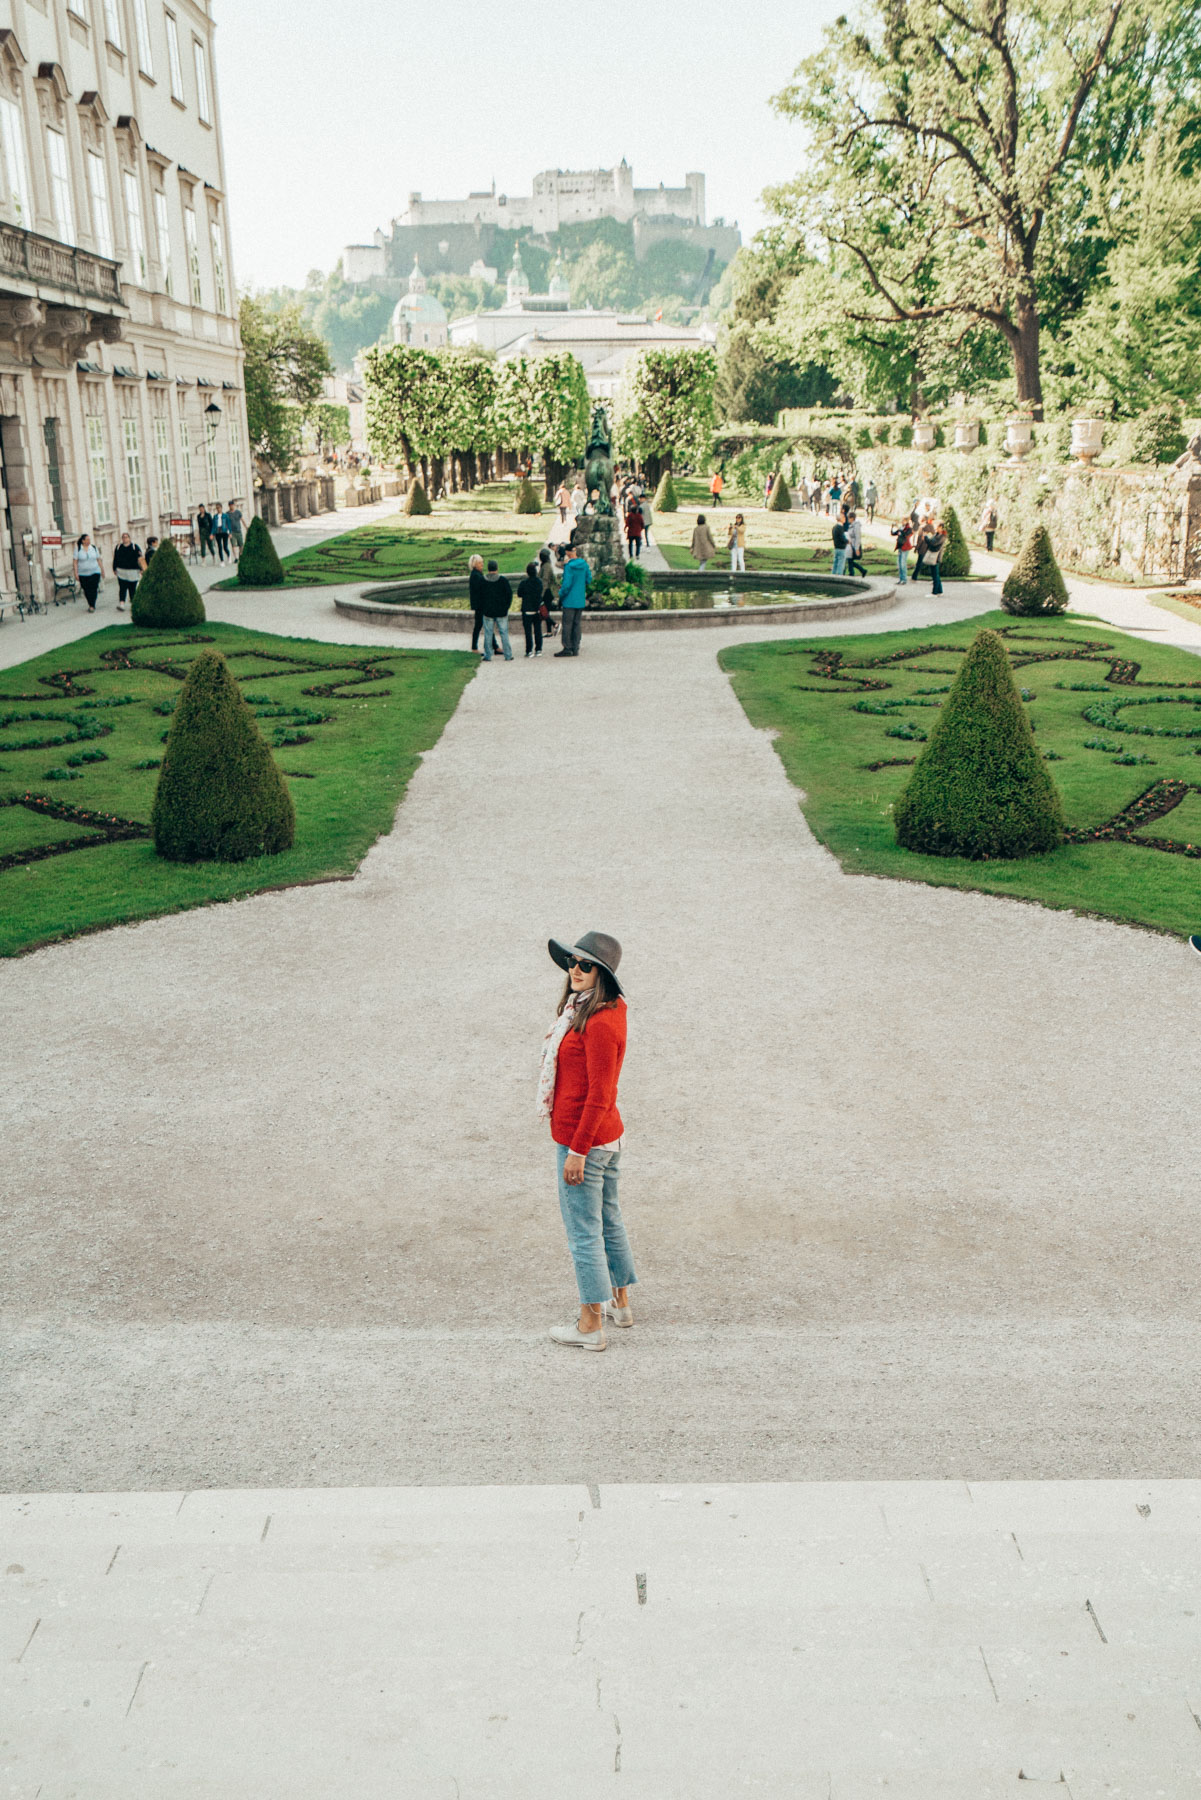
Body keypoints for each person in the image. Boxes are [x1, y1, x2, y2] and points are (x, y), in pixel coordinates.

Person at [539, 931, 635, 1350]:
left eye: (586, 965)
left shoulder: (598, 1024)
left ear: (604, 975)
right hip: (607, 1137)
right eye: (572, 962)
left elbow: (600, 1094)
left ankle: (590, 1325)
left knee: (584, 1232)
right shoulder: (603, 1010)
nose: (575, 970)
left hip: (587, 1140)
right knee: (609, 1221)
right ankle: (621, 1305)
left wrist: (577, 1151)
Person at [555, 543, 588, 657]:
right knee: (577, 623)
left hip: (569, 599)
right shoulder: (584, 564)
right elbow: (589, 578)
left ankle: (567, 647)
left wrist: (561, 594)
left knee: (567, 624)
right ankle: (576, 646)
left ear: (568, 553)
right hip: (579, 598)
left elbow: (567, 584)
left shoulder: (569, 566)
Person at [479, 559, 513, 662]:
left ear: (488, 569)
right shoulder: (503, 580)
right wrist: (506, 607)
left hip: (488, 611)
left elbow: (480, 596)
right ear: (497, 568)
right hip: (501, 611)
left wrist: (483, 608)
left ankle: (488, 655)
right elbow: (509, 595)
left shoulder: (483, 580)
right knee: (504, 633)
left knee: (488, 633)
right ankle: (508, 655)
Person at [517, 560, 545, 658]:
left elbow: (519, 594)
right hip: (536, 609)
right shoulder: (539, 582)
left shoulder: (524, 583)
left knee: (528, 632)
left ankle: (529, 650)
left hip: (527, 609)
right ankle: (538, 649)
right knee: (538, 630)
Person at [112, 531, 145, 611]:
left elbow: (140, 558)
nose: (125, 539)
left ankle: (134, 604)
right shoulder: (118, 547)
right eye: (123, 537)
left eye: (126, 537)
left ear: (129, 538)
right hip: (121, 571)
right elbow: (115, 558)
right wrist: (114, 568)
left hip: (133, 571)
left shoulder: (134, 547)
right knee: (122, 588)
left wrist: (142, 569)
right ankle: (122, 604)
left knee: (132, 589)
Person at [73, 533, 103, 610]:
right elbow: (75, 562)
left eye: (89, 539)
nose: (89, 541)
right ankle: (90, 602)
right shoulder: (78, 549)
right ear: (83, 541)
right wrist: (76, 573)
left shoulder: (93, 548)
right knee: (86, 589)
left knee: (94, 588)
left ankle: (92, 605)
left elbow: (98, 559)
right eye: (87, 539)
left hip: (95, 571)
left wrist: (102, 569)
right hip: (83, 573)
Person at [468, 553, 489, 653]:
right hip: (480, 604)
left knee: (484, 624)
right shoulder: (476, 575)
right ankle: (474, 647)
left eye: (482, 563)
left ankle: (494, 645)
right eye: (480, 563)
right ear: (475, 564)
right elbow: (481, 589)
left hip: (480, 604)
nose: (482, 565)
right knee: (480, 625)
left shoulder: (477, 574)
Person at [923, 520, 948, 595]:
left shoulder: (942, 536)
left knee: (935, 575)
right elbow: (931, 542)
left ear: (941, 527)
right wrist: (928, 539)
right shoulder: (937, 534)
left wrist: (925, 537)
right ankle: (940, 591)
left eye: (936, 527)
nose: (935, 529)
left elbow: (933, 543)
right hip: (934, 555)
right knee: (935, 574)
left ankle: (935, 592)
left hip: (936, 556)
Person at [891, 517, 913, 583]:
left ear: (906, 521)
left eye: (903, 521)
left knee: (903, 563)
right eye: (902, 520)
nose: (902, 522)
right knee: (899, 563)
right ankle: (901, 579)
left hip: (905, 548)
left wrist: (900, 530)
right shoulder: (901, 528)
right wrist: (892, 528)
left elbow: (905, 535)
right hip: (900, 547)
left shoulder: (909, 529)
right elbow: (893, 533)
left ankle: (904, 579)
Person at [846, 511, 867, 577]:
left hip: (854, 545)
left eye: (849, 518)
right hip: (851, 545)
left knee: (850, 560)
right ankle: (861, 571)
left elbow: (858, 537)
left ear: (852, 518)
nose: (848, 519)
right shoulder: (851, 526)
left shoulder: (856, 526)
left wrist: (857, 548)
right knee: (850, 560)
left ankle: (852, 573)